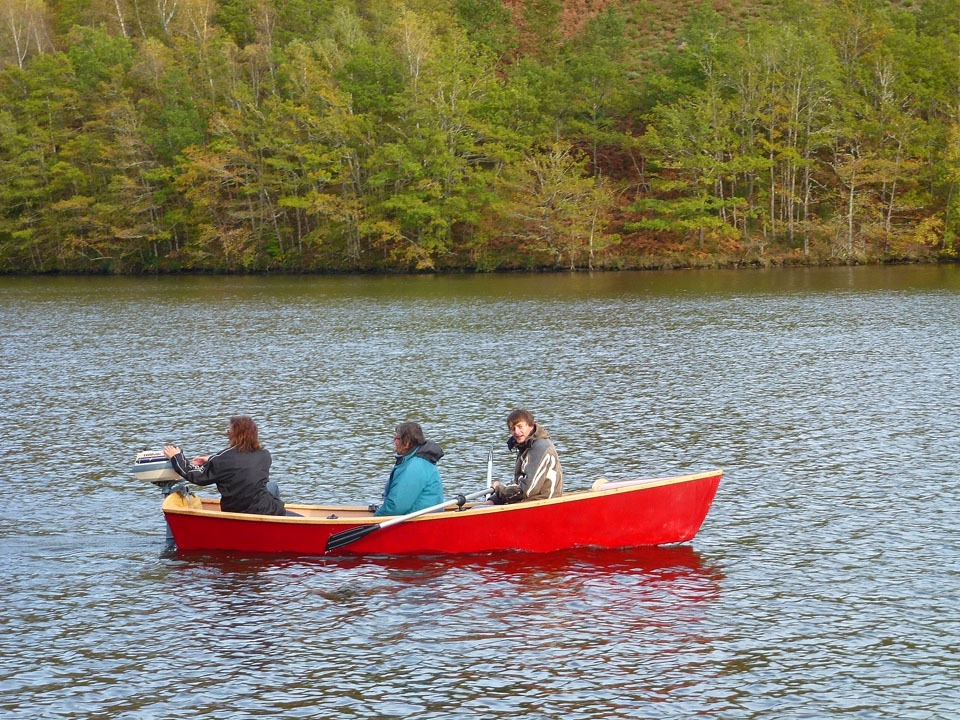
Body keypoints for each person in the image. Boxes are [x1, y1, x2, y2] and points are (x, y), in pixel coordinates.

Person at [163, 415, 291, 516]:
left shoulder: (223, 459)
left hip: (237, 510)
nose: (227, 434)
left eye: (228, 431)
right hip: (264, 507)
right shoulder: (264, 455)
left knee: (270, 487)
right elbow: (241, 463)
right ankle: (274, 519)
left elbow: (197, 477)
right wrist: (210, 459)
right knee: (271, 486)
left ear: (236, 434)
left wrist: (176, 457)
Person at [489, 408, 564, 505]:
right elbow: (518, 483)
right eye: (513, 428)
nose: (516, 432)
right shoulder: (524, 446)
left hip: (543, 503)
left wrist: (499, 489)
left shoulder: (540, 448)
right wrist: (493, 500)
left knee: (481, 509)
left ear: (531, 426)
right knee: (482, 507)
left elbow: (527, 490)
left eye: (520, 426)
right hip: (528, 500)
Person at [373, 422, 445, 517]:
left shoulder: (416, 466)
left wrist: (376, 517)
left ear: (407, 443)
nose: (393, 440)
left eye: (397, 438)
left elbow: (397, 506)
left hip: (421, 523)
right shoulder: (413, 460)